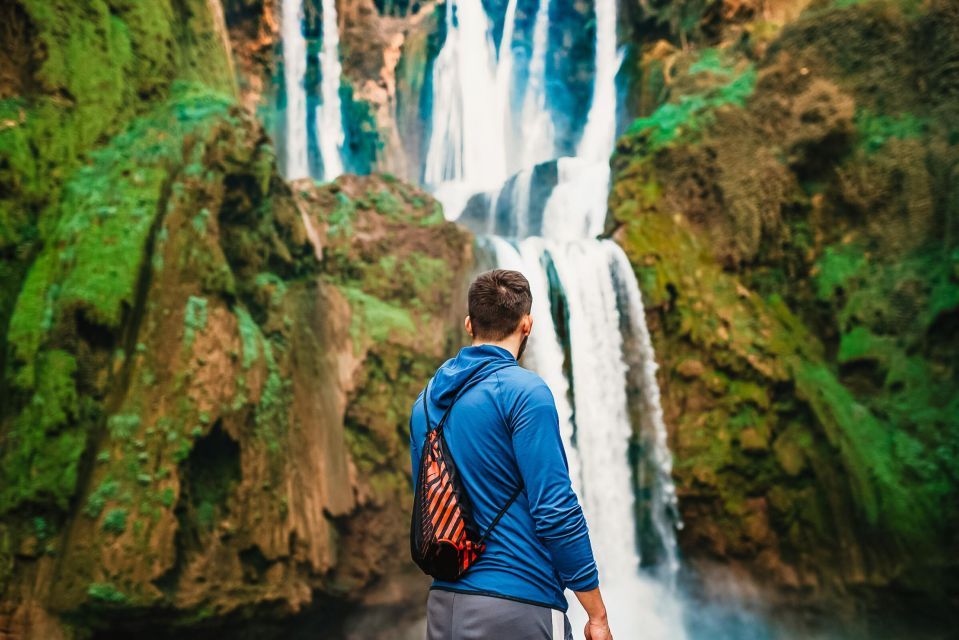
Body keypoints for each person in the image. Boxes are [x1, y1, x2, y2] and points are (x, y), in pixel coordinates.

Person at [409, 269, 614, 640]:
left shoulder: (423, 405)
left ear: (470, 324)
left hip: (445, 608)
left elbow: (430, 502)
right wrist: (596, 614)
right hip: (520, 605)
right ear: (528, 325)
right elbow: (555, 510)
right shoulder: (525, 392)